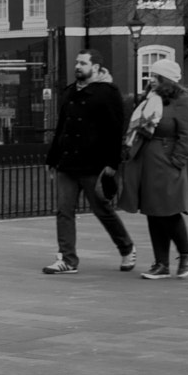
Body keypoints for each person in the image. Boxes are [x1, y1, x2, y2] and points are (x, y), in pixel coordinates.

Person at [41, 50, 136, 275]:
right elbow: (62, 127)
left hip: (93, 163)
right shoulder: (69, 92)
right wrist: (52, 158)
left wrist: (113, 164)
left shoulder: (107, 93)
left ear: (96, 68)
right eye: (77, 62)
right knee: (64, 211)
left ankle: (126, 247)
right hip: (67, 162)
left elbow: (115, 131)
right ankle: (67, 259)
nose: (78, 66)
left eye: (83, 63)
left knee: (102, 209)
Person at [119, 58, 188, 279]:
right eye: (151, 76)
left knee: (169, 211)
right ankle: (161, 263)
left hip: (169, 162)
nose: (152, 80)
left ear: (167, 79)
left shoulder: (183, 101)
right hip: (148, 161)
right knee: (152, 211)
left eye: (156, 77)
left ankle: (185, 253)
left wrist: (176, 161)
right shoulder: (151, 99)